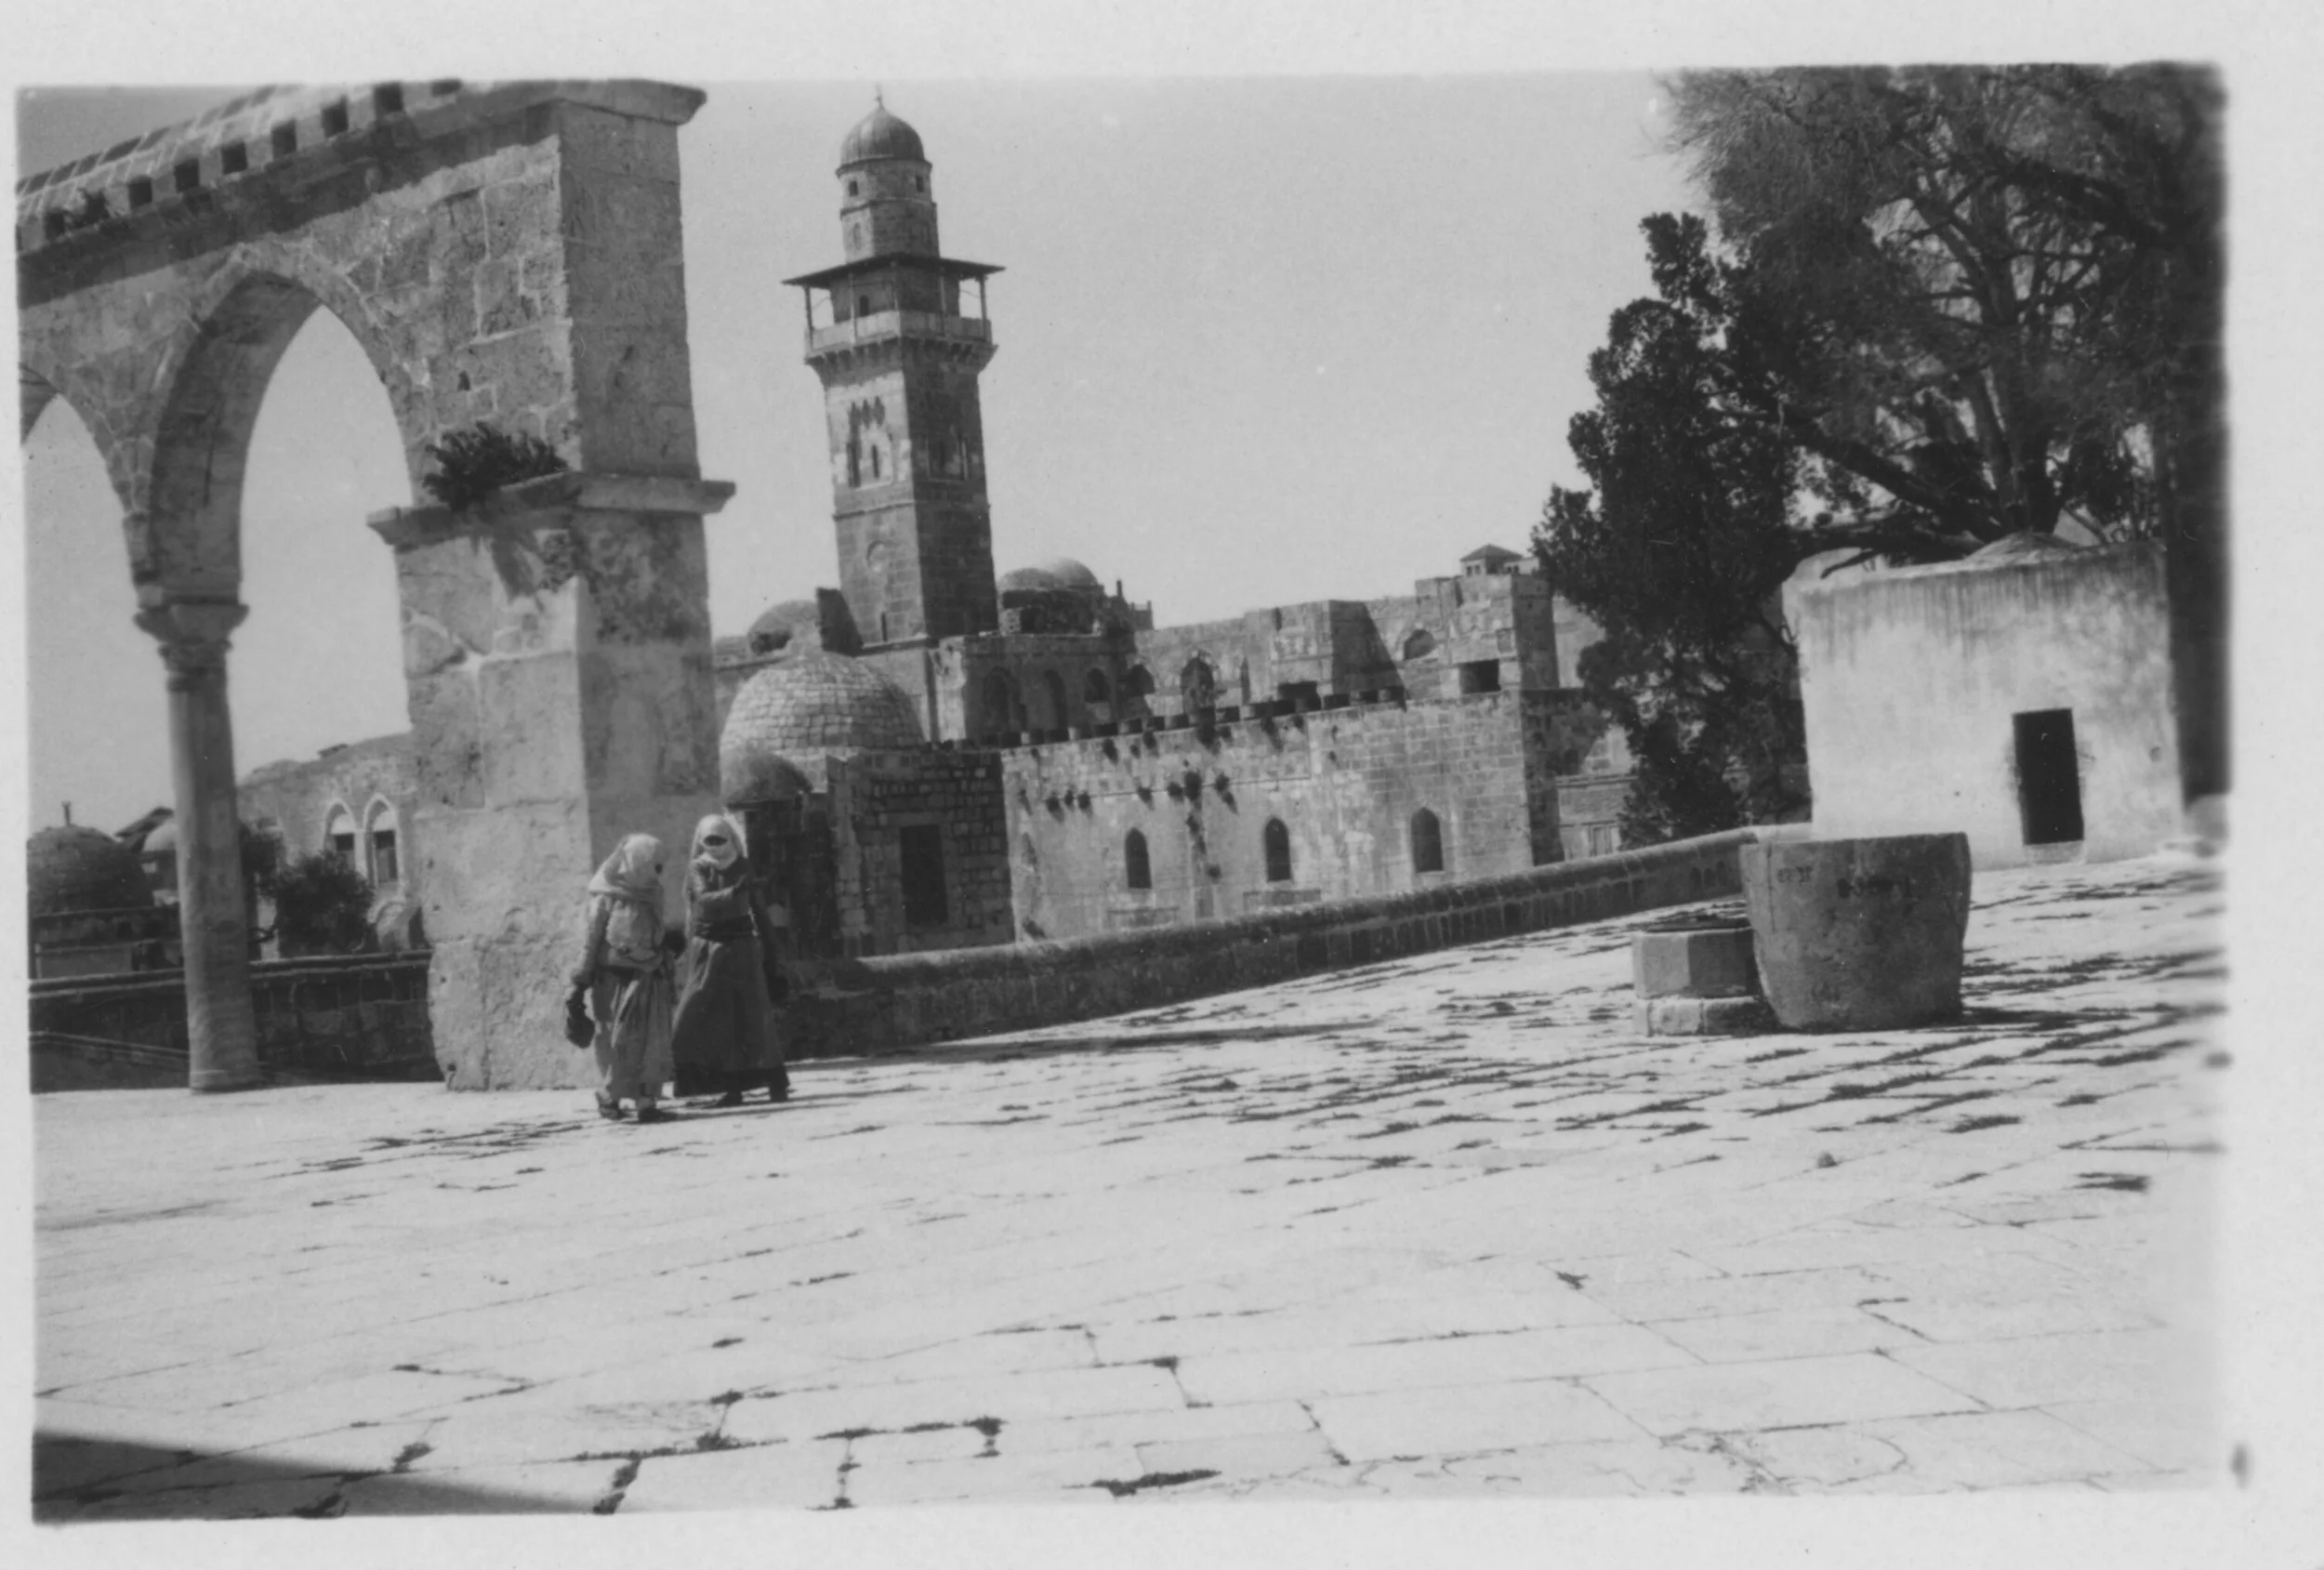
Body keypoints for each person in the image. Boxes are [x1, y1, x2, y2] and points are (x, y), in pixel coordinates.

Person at [671, 812, 792, 1107]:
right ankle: (720, 1085)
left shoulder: (742, 866)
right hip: (708, 949)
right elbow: (702, 899)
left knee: (752, 1018)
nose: (714, 845)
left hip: (742, 948)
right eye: (709, 840)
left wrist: (774, 952)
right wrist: (733, 892)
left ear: (730, 839)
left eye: (719, 839)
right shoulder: (698, 868)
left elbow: (759, 910)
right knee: (701, 1016)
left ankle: (773, 1083)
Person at [569, 833, 678, 1123]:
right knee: (620, 1044)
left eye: (659, 866)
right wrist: (579, 982)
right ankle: (609, 1097)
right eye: (651, 865)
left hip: (650, 978)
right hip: (614, 982)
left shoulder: (654, 893)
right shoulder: (604, 896)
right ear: (635, 863)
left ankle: (647, 1103)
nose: (657, 872)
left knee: (653, 1043)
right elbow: (591, 941)